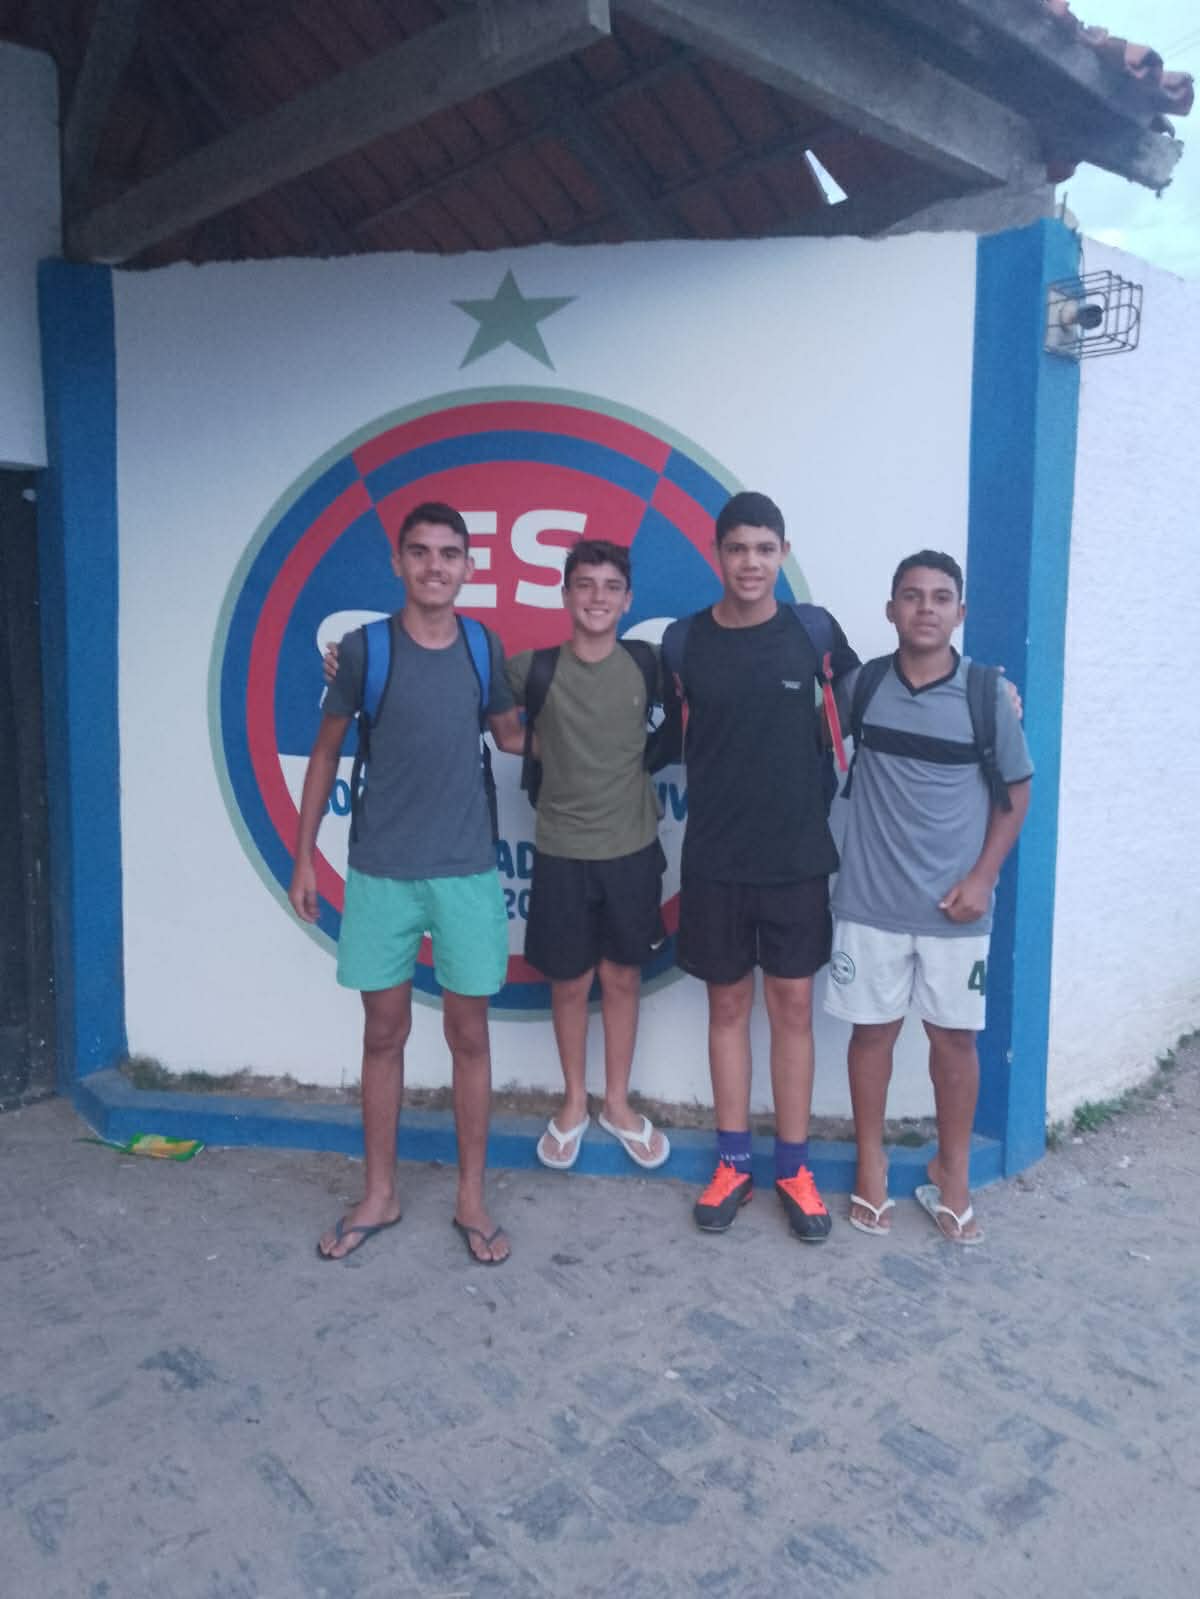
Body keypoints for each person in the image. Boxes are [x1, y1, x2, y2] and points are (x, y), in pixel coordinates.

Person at [290, 501, 521, 1265]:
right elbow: (325, 752)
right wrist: (303, 857)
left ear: (468, 567)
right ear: (397, 562)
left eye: (449, 553)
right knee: (383, 1034)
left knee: (470, 1037)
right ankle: (380, 1193)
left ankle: (471, 1198)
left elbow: (512, 733)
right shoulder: (363, 651)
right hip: (382, 872)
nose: (434, 566)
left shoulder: (483, 646)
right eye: (419, 551)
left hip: (466, 873)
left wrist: (602, 718)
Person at [660, 491, 859, 1241]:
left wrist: (993, 690)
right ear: (717, 553)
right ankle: (733, 1163)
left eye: (764, 549)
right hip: (714, 859)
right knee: (726, 1010)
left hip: (797, 857)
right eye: (738, 548)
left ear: (783, 553)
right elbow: (633, 714)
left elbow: (876, 695)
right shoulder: (682, 642)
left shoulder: (814, 632)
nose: (751, 562)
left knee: (794, 1010)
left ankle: (794, 1170)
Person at [823, 550, 1032, 1246]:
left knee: (955, 1041)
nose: (926, 608)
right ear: (891, 609)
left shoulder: (986, 696)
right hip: (869, 903)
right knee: (872, 1035)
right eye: (911, 596)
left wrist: (983, 879)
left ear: (959, 613)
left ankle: (953, 1173)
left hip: (956, 911)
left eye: (941, 597)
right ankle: (871, 1165)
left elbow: (1017, 792)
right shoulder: (861, 688)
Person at [506, 538, 671, 1173]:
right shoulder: (533, 669)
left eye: (610, 587)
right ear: (565, 594)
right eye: (585, 584)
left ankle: (617, 1103)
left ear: (627, 601)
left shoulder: (649, 665)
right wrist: (343, 666)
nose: (597, 597)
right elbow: (480, 706)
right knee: (570, 982)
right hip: (561, 852)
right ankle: (574, 1101)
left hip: (632, 849)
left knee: (622, 978)